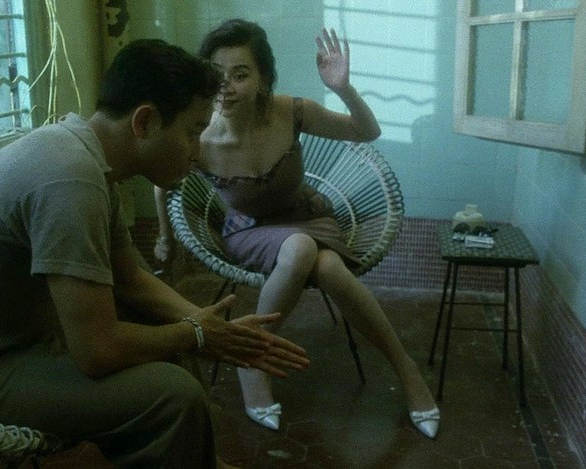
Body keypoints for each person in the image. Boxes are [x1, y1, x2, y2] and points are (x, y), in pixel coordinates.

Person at [0, 38, 310, 468]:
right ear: (145, 122)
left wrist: (209, 326)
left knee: (168, 331)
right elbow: (97, 351)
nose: (197, 152)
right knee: (171, 397)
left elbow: (132, 280)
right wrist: (198, 335)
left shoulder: (84, 154)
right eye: (191, 131)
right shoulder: (71, 179)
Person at [160, 19, 440, 439]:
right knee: (300, 250)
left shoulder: (290, 112)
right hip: (249, 231)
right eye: (217, 75)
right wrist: (165, 237)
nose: (226, 88)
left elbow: (367, 132)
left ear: (263, 78)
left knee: (326, 264)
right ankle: (254, 359)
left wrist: (343, 88)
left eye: (240, 75)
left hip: (308, 216)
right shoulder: (200, 138)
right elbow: (162, 183)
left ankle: (405, 368)